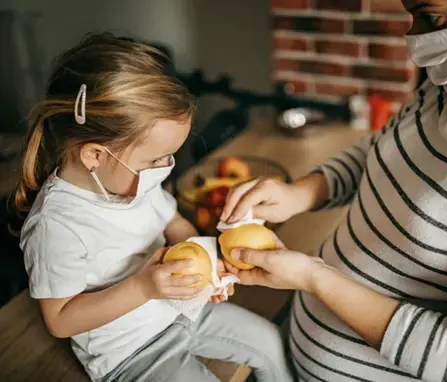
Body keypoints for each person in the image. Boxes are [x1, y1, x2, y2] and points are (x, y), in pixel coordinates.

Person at [220, 0, 447, 381]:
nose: (413, 38)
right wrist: (301, 193)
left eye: (431, 17)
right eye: (411, 16)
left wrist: (313, 278)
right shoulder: (446, 90)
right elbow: (381, 151)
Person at [13, 33, 293, 382]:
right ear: (95, 155)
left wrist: (207, 268)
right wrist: (143, 287)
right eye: (156, 159)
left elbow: (175, 223)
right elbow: (60, 320)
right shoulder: (56, 225)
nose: (165, 167)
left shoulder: (130, 178)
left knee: (268, 340)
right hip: (131, 352)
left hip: (180, 312)